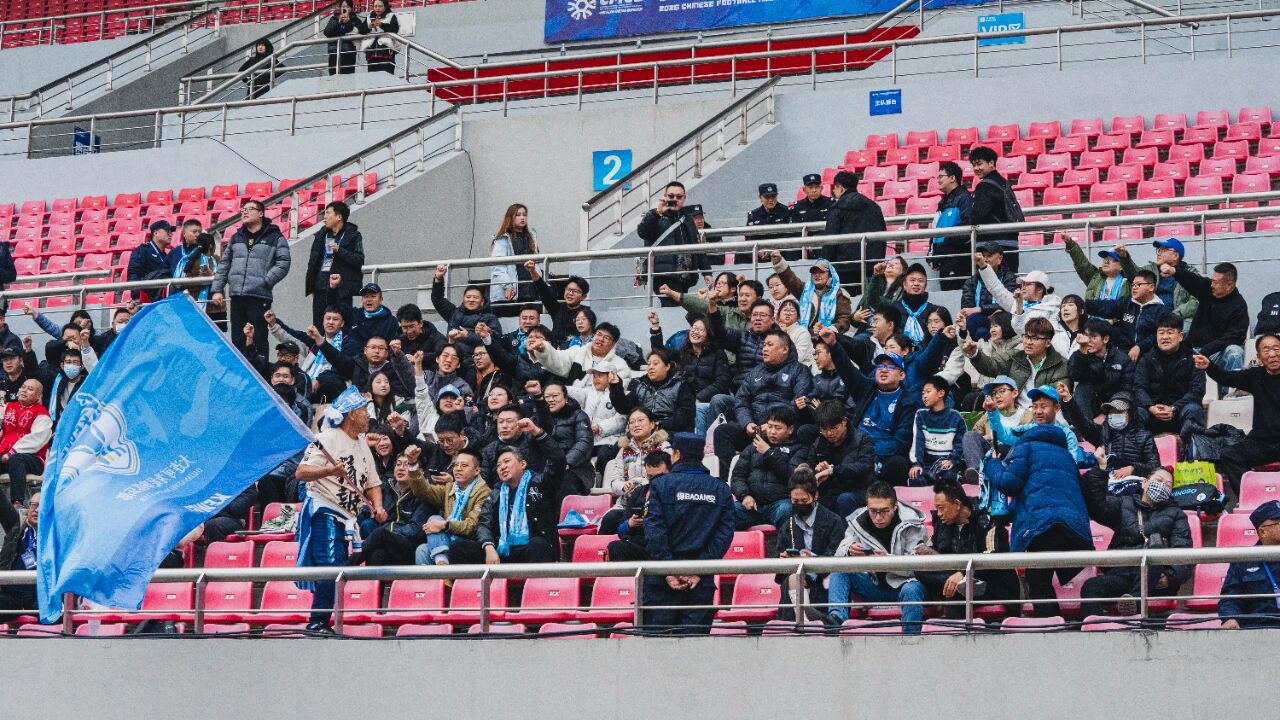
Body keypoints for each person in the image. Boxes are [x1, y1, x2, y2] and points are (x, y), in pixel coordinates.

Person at [293, 387, 385, 633]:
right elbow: (301, 472)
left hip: (348, 515)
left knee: (339, 566)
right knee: (331, 563)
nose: (368, 415)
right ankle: (318, 621)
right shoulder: (327, 438)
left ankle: (322, 619)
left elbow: (373, 483)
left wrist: (378, 506)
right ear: (351, 414)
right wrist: (329, 471)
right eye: (364, 410)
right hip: (325, 508)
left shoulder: (362, 443)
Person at [982, 411, 1092, 617]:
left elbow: (1009, 483)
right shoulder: (1066, 455)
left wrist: (993, 465)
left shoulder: (1027, 447)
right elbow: (1035, 491)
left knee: (1038, 581)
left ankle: (1050, 627)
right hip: (1071, 525)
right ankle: (1056, 622)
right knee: (1041, 578)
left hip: (1043, 523)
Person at [642, 432, 735, 634]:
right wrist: (698, 570)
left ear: (676, 454)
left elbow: (654, 531)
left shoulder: (660, 485)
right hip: (700, 582)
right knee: (695, 648)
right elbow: (724, 535)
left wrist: (668, 570)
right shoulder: (720, 489)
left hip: (661, 581)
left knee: (655, 648)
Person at [1079, 463, 1191, 618]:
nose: (1162, 486)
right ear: (1145, 482)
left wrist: (1170, 577)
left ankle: (1134, 603)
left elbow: (1182, 549)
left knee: (1156, 548)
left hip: (1155, 578)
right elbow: (1097, 506)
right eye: (1159, 480)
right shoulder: (1124, 503)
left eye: (1168, 485)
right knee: (1091, 587)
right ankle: (1094, 629)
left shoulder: (1176, 514)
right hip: (1123, 573)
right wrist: (1100, 471)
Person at [712, 325, 813, 482]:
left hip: (781, 430)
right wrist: (747, 423)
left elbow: (798, 403)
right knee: (723, 431)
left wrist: (772, 425)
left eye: (770, 345)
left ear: (784, 349)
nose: (764, 349)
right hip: (754, 428)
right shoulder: (756, 371)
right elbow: (741, 400)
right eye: (764, 345)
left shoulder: (800, 371)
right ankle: (724, 481)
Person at [827, 482, 928, 632]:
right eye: (873, 511)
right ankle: (836, 620)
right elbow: (839, 553)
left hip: (902, 585)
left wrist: (887, 561)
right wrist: (849, 549)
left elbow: (917, 568)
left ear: (895, 506)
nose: (878, 517)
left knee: (913, 588)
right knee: (839, 568)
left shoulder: (913, 524)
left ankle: (911, 639)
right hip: (871, 583)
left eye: (884, 511)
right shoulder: (858, 520)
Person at [822, 328, 918, 486]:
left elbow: (899, 443)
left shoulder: (908, 403)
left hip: (881, 456)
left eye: (890, 367)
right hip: (855, 448)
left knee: (898, 463)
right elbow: (847, 370)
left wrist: (869, 454)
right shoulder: (866, 388)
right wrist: (833, 345)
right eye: (880, 366)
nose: (884, 370)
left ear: (901, 375)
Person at [916, 482, 1020, 618]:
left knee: (957, 595)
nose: (939, 514)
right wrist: (925, 550)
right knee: (920, 568)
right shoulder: (941, 524)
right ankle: (960, 585)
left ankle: (961, 586)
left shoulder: (988, 520)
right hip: (954, 581)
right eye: (937, 508)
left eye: (942, 508)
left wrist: (963, 574)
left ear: (957, 504)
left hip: (990, 584)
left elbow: (991, 558)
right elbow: (931, 546)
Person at [1195, 334, 1280, 494]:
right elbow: (1226, 377)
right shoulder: (1255, 376)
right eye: (1266, 350)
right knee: (1229, 455)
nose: (1273, 354)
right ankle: (1250, 497)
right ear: (1259, 357)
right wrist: (1209, 366)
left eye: (1277, 349)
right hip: (1262, 443)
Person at [211, 200, 291, 358]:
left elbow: (284, 262)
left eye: (249, 209)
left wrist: (266, 281)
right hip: (237, 296)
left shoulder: (275, 236)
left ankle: (260, 372)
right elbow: (225, 264)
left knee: (258, 339)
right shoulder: (236, 237)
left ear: (260, 213)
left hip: (259, 296)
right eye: (243, 210)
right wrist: (217, 289)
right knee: (238, 339)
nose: (244, 212)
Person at [775, 467, 848, 622]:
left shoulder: (834, 521)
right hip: (794, 588)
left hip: (823, 588)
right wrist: (783, 562)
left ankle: (808, 620)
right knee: (792, 579)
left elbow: (838, 559)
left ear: (816, 496)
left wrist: (813, 561)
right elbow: (779, 573)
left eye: (804, 501)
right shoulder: (787, 526)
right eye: (795, 501)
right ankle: (804, 619)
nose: (799, 505)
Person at [469, 444, 560, 565]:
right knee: (460, 547)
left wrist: (540, 436)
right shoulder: (495, 493)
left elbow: (558, 460)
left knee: (538, 544)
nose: (502, 467)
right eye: (498, 465)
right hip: (502, 550)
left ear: (523, 464)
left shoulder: (541, 484)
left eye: (507, 461)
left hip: (531, 549)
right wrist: (489, 547)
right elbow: (484, 524)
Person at [1174, 261, 1249, 395]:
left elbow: (1235, 337)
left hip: (1217, 353)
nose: (1211, 285)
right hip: (1194, 349)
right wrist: (1175, 271)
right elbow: (1192, 280)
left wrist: (1207, 350)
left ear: (1229, 285)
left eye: (1215, 282)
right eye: (1212, 280)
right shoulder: (1208, 290)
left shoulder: (1239, 306)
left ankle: (1228, 397)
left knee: (1235, 352)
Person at [730, 405, 810, 529]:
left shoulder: (799, 449)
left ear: (790, 429)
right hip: (752, 505)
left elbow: (793, 477)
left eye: (778, 428)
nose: (772, 432)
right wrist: (745, 495)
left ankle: (785, 542)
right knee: (727, 510)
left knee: (787, 509)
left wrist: (769, 453)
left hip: (780, 504)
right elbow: (737, 475)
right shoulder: (753, 446)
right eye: (770, 426)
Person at [407, 447, 490, 566]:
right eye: (456, 465)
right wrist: (413, 466)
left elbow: (472, 526)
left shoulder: (484, 492)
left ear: (477, 471)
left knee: (435, 519)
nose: (458, 469)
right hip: (447, 540)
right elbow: (423, 491)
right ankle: (441, 566)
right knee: (422, 550)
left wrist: (445, 525)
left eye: (464, 465)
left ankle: (442, 567)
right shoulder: (450, 488)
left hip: (468, 544)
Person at [963, 316, 1069, 406]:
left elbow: (1056, 397)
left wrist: (1032, 412)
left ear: (1048, 342)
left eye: (1035, 338)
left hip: (1043, 415)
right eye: (1026, 337)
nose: (1029, 342)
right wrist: (974, 354)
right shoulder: (1016, 357)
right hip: (1015, 412)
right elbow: (991, 366)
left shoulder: (1061, 365)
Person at [1060, 387, 1159, 480]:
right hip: (1107, 482)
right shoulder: (1103, 433)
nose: (1114, 415)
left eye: (1119, 412)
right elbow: (1082, 423)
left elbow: (1155, 467)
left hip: (1135, 483)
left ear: (1131, 414)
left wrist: (1133, 469)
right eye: (1111, 412)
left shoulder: (1145, 437)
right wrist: (1069, 400)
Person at [1134, 314, 1206, 435]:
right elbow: (1138, 388)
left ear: (1180, 336)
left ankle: (1192, 446)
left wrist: (1174, 408)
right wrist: (1151, 407)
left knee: (1194, 409)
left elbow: (1197, 391)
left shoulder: (1194, 358)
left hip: (1180, 411)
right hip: (1153, 412)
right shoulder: (1146, 359)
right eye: (1161, 333)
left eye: (1170, 332)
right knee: (1137, 412)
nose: (1165, 337)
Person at [637, 181, 709, 301]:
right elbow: (642, 232)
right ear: (665, 196)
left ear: (684, 198)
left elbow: (697, 246)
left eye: (679, 197)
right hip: (663, 276)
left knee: (682, 307)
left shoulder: (687, 218)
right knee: (674, 305)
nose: (675, 199)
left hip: (685, 276)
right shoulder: (655, 215)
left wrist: (707, 272)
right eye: (671, 196)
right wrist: (658, 212)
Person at [1087, 268, 1171, 362]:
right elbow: (1106, 307)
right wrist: (1084, 305)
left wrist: (1140, 347)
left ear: (1151, 287)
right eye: (1133, 285)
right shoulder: (1126, 302)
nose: (1134, 287)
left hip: (1147, 357)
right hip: (1121, 353)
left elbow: (1158, 335)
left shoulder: (1161, 310)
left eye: (1138, 284)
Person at [1219, 500, 1280, 629]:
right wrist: (1230, 618)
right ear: (1262, 532)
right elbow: (1230, 598)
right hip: (1258, 628)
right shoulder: (1245, 560)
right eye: (1278, 523)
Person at [304, 201, 364, 328]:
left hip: (342, 289)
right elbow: (313, 261)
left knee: (342, 325)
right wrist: (313, 284)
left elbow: (359, 260)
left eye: (328, 213)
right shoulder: (321, 235)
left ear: (339, 217)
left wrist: (339, 250)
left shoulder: (353, 235)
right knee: (319, 326)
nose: (324, 217)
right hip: (321, 287)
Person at [824, 170, 886, 295]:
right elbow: (882, 237)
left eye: (834, 188)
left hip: (844, 268)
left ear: (840, 188)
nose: (834, 192)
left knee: (845, 303)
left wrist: (825, 263)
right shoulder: (874, 207)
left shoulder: (837, 208)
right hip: (871, 267)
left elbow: (830, 241)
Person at [809, 400, 875, 514]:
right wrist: (816, 471)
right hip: (830, 492)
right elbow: (809, 466)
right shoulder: (818, 443)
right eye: (824, 429)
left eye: (834, 428)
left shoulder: (863, 439)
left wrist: (832, 470)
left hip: (860, 491)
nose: (829, 433)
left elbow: (864, 466)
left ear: (844, 421)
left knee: (845, 499)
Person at [961, 375, 1030, 481]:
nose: (997, 396)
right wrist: (988, 437)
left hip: (1012, 456)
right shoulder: (988, 415)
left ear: (1014, 393)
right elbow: (974, 439)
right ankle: (976, 472)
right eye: (994, 393)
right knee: (969, 435)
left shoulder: (1027, 415)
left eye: (1002, 391)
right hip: (991, 453)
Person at [603, 451, 669, 562]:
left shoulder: (676, 492)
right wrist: (629, 524)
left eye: (660, 477)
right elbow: (620, 530)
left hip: (667, 541)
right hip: (642, 541)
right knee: (615, 547)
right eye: (651, 477)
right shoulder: (639, 492)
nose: (655, 481)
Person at [968, 145, 1023, 272]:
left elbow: (979, 215)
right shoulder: (1003, 182)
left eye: (979, 164)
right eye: (974, 165)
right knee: (1009, 281)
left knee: (988, 281)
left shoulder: (985, 186)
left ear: (991, 163)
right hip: (1011, 242)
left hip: (992, 246)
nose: (976, 168)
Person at [1116, 238, 1199, 322]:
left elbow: (1196, 300)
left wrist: (1176, 315)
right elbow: (1134, 276)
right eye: (1158, 250)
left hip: (1178, 319)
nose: (1158, 254)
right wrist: (1124, 258)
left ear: (1175, 256)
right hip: (1150, 316)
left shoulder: (1190, 273)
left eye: (1163, 250)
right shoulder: (1152, 269)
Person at [768, 252, 852, 334]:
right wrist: (779, 262)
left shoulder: (840, 294)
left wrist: (828, 330)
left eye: (821, 272)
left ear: (830, 275)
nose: (817, 275)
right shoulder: (805, 290)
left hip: (830, 337)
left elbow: (844, 320)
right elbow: (790, 279)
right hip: (804, 335)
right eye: (814, 272)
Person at [431, 265, 503, 360]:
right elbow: (438, 300)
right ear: (463, 299)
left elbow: (497, 341)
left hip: (476, 360)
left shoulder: (490, 317)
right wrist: (438, 278)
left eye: (475, 297)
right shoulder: (454, 313)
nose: (471, 300)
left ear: (482, 302)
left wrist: (468, 336)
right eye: (468, 297)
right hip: (453, 359)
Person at [1067, 319, 1134, 419]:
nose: (1088, 341)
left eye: (1093, 337)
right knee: (1083, 387)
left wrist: (1106, 412)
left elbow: (1127, 389)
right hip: (1090, 407)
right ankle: (1084, 425)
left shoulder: (1123, 360)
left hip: (1114, 407)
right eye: (1086, 336)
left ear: (1105, 339)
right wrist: (1082, 352)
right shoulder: (1079, 355)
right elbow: (1075, 375)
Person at [540, 382, 594, 498]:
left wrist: (566, 462)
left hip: (576, 468)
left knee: (564, 483)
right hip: (545, 467)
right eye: (547, 397)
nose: (551, 400)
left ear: (565, 398)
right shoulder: (539, 418)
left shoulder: (578, 415)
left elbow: (584, 441)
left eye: (555, 396)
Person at [0, 379, 50, 504]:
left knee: (16, 459)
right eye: (23, 387)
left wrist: (11, 452)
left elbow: (36, 439)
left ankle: (17, 503)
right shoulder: (8, 407)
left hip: (33, 458)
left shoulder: (42, 414)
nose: (24, 390)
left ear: (38, 396)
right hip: (5, 455)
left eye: (30, 389)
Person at [909, 376, 966, 485]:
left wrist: (953, 460)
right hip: (927, 465)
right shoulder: (920, 415)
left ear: (941, 393)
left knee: (949, 477)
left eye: (928, 392)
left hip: (947, 464)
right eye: (923, 393)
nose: (924, 396)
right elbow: (918, 442)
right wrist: (917, 464)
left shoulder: (955, 417)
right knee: (915, 478)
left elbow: (960, 444)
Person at [930, 161, 974, 290]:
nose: (938, 180)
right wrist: (934, 254)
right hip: (945, 260)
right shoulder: (943, 203)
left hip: (959, 260)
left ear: (952, 178)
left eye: (941, 176)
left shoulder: (964, 199)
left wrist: (948, 242)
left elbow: (969, 227)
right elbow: (936, 230)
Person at [525, 260, 590, 346]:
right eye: (568, 289)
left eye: (575, 291)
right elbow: (543, 291)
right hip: (556, 350)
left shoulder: (587, 313)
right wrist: (532, 271)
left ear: (583, 296)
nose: (570, 293)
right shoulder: (557, 308)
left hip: (576, 350)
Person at [489, 203, 539, 311]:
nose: (522, 217)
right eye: (518, 215)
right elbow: (498, 267)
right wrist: (508, 286)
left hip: (529, 289)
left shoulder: (530, 238)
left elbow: (538, 263)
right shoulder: (503, 239)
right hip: (511, 293)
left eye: (524, 215)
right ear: (510, 217)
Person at [0, 491, 38, 621]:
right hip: (12, 594)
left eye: (41, 506)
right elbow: (2, 505)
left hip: (39, 596)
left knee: (57, 614)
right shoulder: (16, 525)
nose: (36, 510)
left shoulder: (54, 534)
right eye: (33, 505)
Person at [960, 243, 1017, 318]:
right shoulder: (971, 281)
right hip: (978, 320)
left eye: (989, 256)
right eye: (983, 256)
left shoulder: (1010, 278)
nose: (985, 259)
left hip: (1002, 320)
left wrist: (981, 309)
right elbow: (967, 309)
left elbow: (1011, 304)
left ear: (1000, 258)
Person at [1063, 237, 1129, 302]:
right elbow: (1082, 263)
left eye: (1112, 260)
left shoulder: (1129, 281)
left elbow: (1132, 269)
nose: (1106, 262)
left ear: (1121, 266)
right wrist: (1070, 244)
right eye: (1105, 258)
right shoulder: (1095, 278)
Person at [126, 219, 175, 303]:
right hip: (146, 299)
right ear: (156, 233)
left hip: (160, 299)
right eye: (167, 231)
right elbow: (133, 273)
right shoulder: (142, 250)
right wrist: (137, 298)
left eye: (171, 232)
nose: (170, 234)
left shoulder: (165, 256)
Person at [746, 182, 794, 259]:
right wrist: (760, 250)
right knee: (742, 254)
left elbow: (789, 235)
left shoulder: (786, 212)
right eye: (767, 197)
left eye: (773, 196)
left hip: (781, 250)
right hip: (761, 251)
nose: (771, 200)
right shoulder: (754, 215)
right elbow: (750, 237)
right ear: (760, 198)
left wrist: (775, 249)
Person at [323, 0, 366, 75]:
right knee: (333, 76)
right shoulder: (334, 18)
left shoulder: (356, 20)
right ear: (340, 8)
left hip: (349, 52)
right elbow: (327, 33)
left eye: (347, 7)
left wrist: (348, 22)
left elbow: (359, 32)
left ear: (351, 8)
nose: (345, 9)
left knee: (348, 76)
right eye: (343, 7)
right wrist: (337, 22)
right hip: (334, 52)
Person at [361, 0, 400, 73]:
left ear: (385, 7)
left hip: (386, 53)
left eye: (380, 6)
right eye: (375, 6)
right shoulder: (369, 17)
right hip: (371, 54)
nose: (377, 8)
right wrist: (368, 27)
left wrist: (382, 25)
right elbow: (361, 31)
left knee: (387, 77)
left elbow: (395, 29)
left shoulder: (391, 16)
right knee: (372, 78)